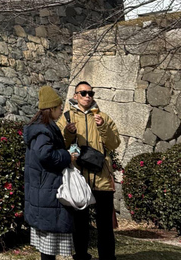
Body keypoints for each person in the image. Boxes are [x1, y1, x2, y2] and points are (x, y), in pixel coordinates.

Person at [57, 81, 121, 260]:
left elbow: (114, 144)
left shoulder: (103, 117)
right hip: (79, 178)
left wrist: (102, 127)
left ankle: (107, 257)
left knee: (105, 225)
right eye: (83, 93)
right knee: (80, 222)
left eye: (90, 93)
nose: (87, 96)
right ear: (75, 95)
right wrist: (69, 134)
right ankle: (81, 255)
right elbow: (60, 144)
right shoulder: (67, 117)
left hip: (102, 177)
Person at [25, 85, 77, 260]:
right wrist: (67, 156)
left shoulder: (42, 127)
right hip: (48, 191)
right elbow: (44, 154)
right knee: (48, 247)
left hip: (44, 190)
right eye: (59, 107)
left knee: (47, 246)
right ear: (51, 108)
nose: (61, 110)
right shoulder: (44, 130)